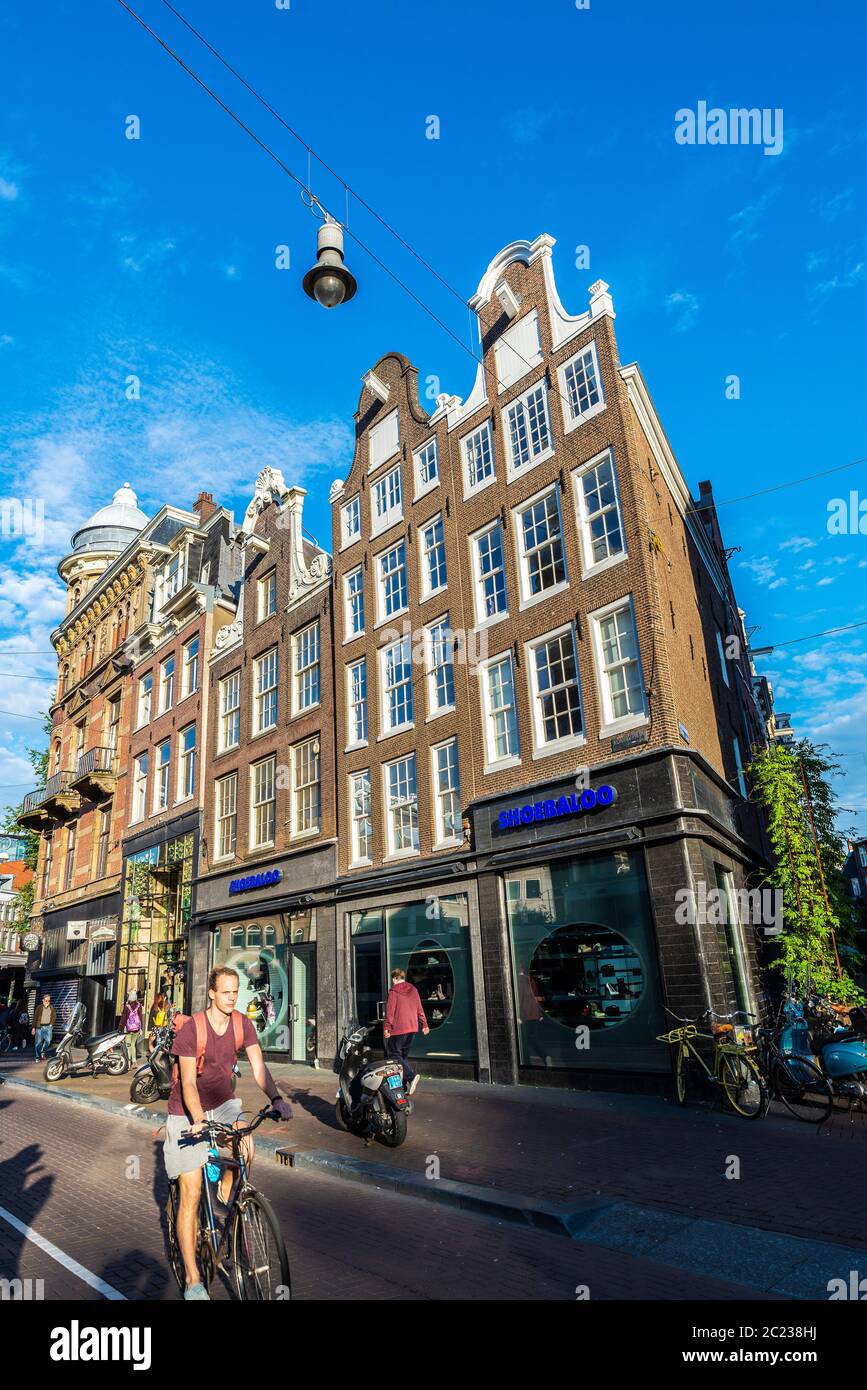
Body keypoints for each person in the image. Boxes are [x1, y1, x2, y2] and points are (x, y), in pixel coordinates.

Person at [163, 965, 292, 1301]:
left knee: (246, 1144)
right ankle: (193, 1279)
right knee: (190, 1192)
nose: (232, 997)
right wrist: (197, 1118)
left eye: (236, 991)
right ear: (211, 992)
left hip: (222, 1102)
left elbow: (259, 1068)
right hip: (186, 1111)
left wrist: (276, 1098)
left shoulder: (241, 1024)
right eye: (225, 992)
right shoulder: (192, 1029)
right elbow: (188, 1081)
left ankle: (225, 1189)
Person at [383, 968, 429, 1096]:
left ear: (395, 978)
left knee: (393, 1054)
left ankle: (411, 1076)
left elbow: (390, 1012)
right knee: (402, 1057)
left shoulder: (393, 991)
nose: (392, 981)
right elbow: (419, 1008)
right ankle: (401, 1088)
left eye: (393, 979)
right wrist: (424, 1024)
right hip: (412, 1028)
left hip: (399, 1029)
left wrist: (387, 1028)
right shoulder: (413, 989)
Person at [120, 991, 145, 1067]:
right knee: (133, 1045)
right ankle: (134, 1062)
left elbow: (123, 1019)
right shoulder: (139, 1006)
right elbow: (140, 1018)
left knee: (128, 1046)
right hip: (136, 1029)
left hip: (128, 1029)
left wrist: (120, 1028)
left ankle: (129, 1062)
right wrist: (141, 1028)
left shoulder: (127, 1007)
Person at [32, 994, 56, 1061]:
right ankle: (37, 1057)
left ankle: (43, 1051)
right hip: (39, 1027)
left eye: (49, 1000)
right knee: (38, 1042)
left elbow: (54, 1016)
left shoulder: (51, 1007)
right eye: (46, 1000)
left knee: (48, 1040)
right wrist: (33, 1027)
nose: (47, 1002)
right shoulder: (39, 1007)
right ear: (43, 1000)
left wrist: (51, 1024)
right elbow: (35, 1017)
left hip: (48, 1027)